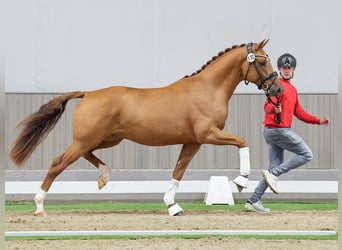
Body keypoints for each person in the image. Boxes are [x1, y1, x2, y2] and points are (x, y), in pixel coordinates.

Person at [244, 53, 330, 213]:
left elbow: (299, 112)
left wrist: (318, 121)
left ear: (293, 69)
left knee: (272, 169)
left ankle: (253, 200)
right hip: (278, 130)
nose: (287, 70)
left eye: (289, 68)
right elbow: (267, 106)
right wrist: (274, 108)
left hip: (274, 132)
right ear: (279, 69)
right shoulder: (277, 85)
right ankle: (274, 174)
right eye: (284, 68)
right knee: (307, 155)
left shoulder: (293, 90)